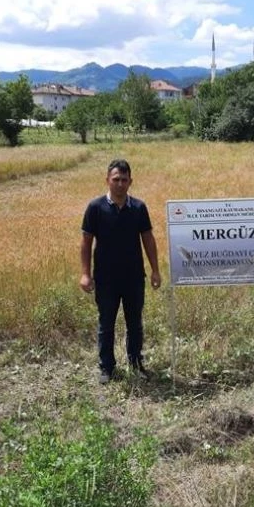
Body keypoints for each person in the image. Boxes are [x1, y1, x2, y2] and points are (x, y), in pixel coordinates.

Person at [80, 158, 162, 383]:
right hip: (105, 279)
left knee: (134, 323)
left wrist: (155, 270)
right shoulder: (95, 208)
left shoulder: (138, 208)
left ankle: (135, 364)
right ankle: (107, 368)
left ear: (130, 182)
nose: (120, 184)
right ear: (107, 180)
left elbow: (148, 239)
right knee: (106, 323)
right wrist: (86, 274)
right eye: (116, 179)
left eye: (124, 180)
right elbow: (86, 242)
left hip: (134, 277)